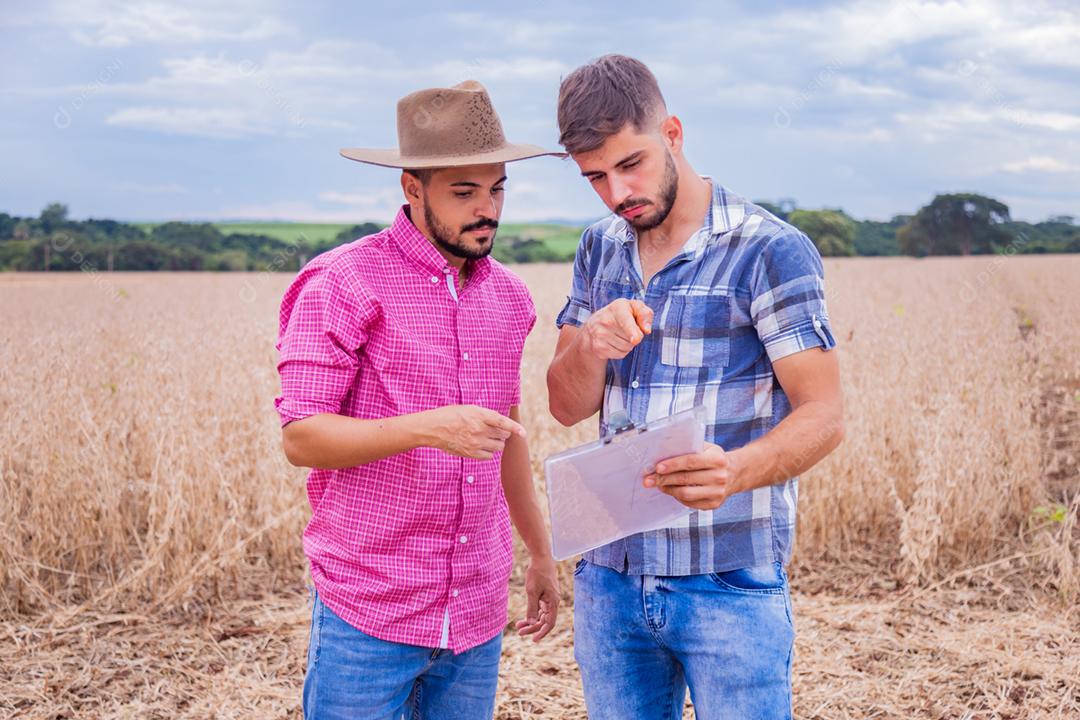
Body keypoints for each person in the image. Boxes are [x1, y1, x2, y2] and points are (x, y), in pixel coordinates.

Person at [546, 55, 845, 719]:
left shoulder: (769, 249)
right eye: (594, 177)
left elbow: (824, 414)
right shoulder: (599, 249)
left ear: (673, 134)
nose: (616, 191)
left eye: (632, 164)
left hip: (728, 580)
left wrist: (735, 471)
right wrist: (591, 343)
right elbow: (566, 405)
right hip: (611, 578)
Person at [275, 80, 563, 719]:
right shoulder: (341, 282)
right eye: (464, 192)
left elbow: (505, 439)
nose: (486, 208)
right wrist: (428, 428)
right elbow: (302, 437)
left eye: (496, 189)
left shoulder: (510, 299)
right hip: (369, 610)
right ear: (412, 188)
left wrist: (539, 554)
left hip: (477, 611)